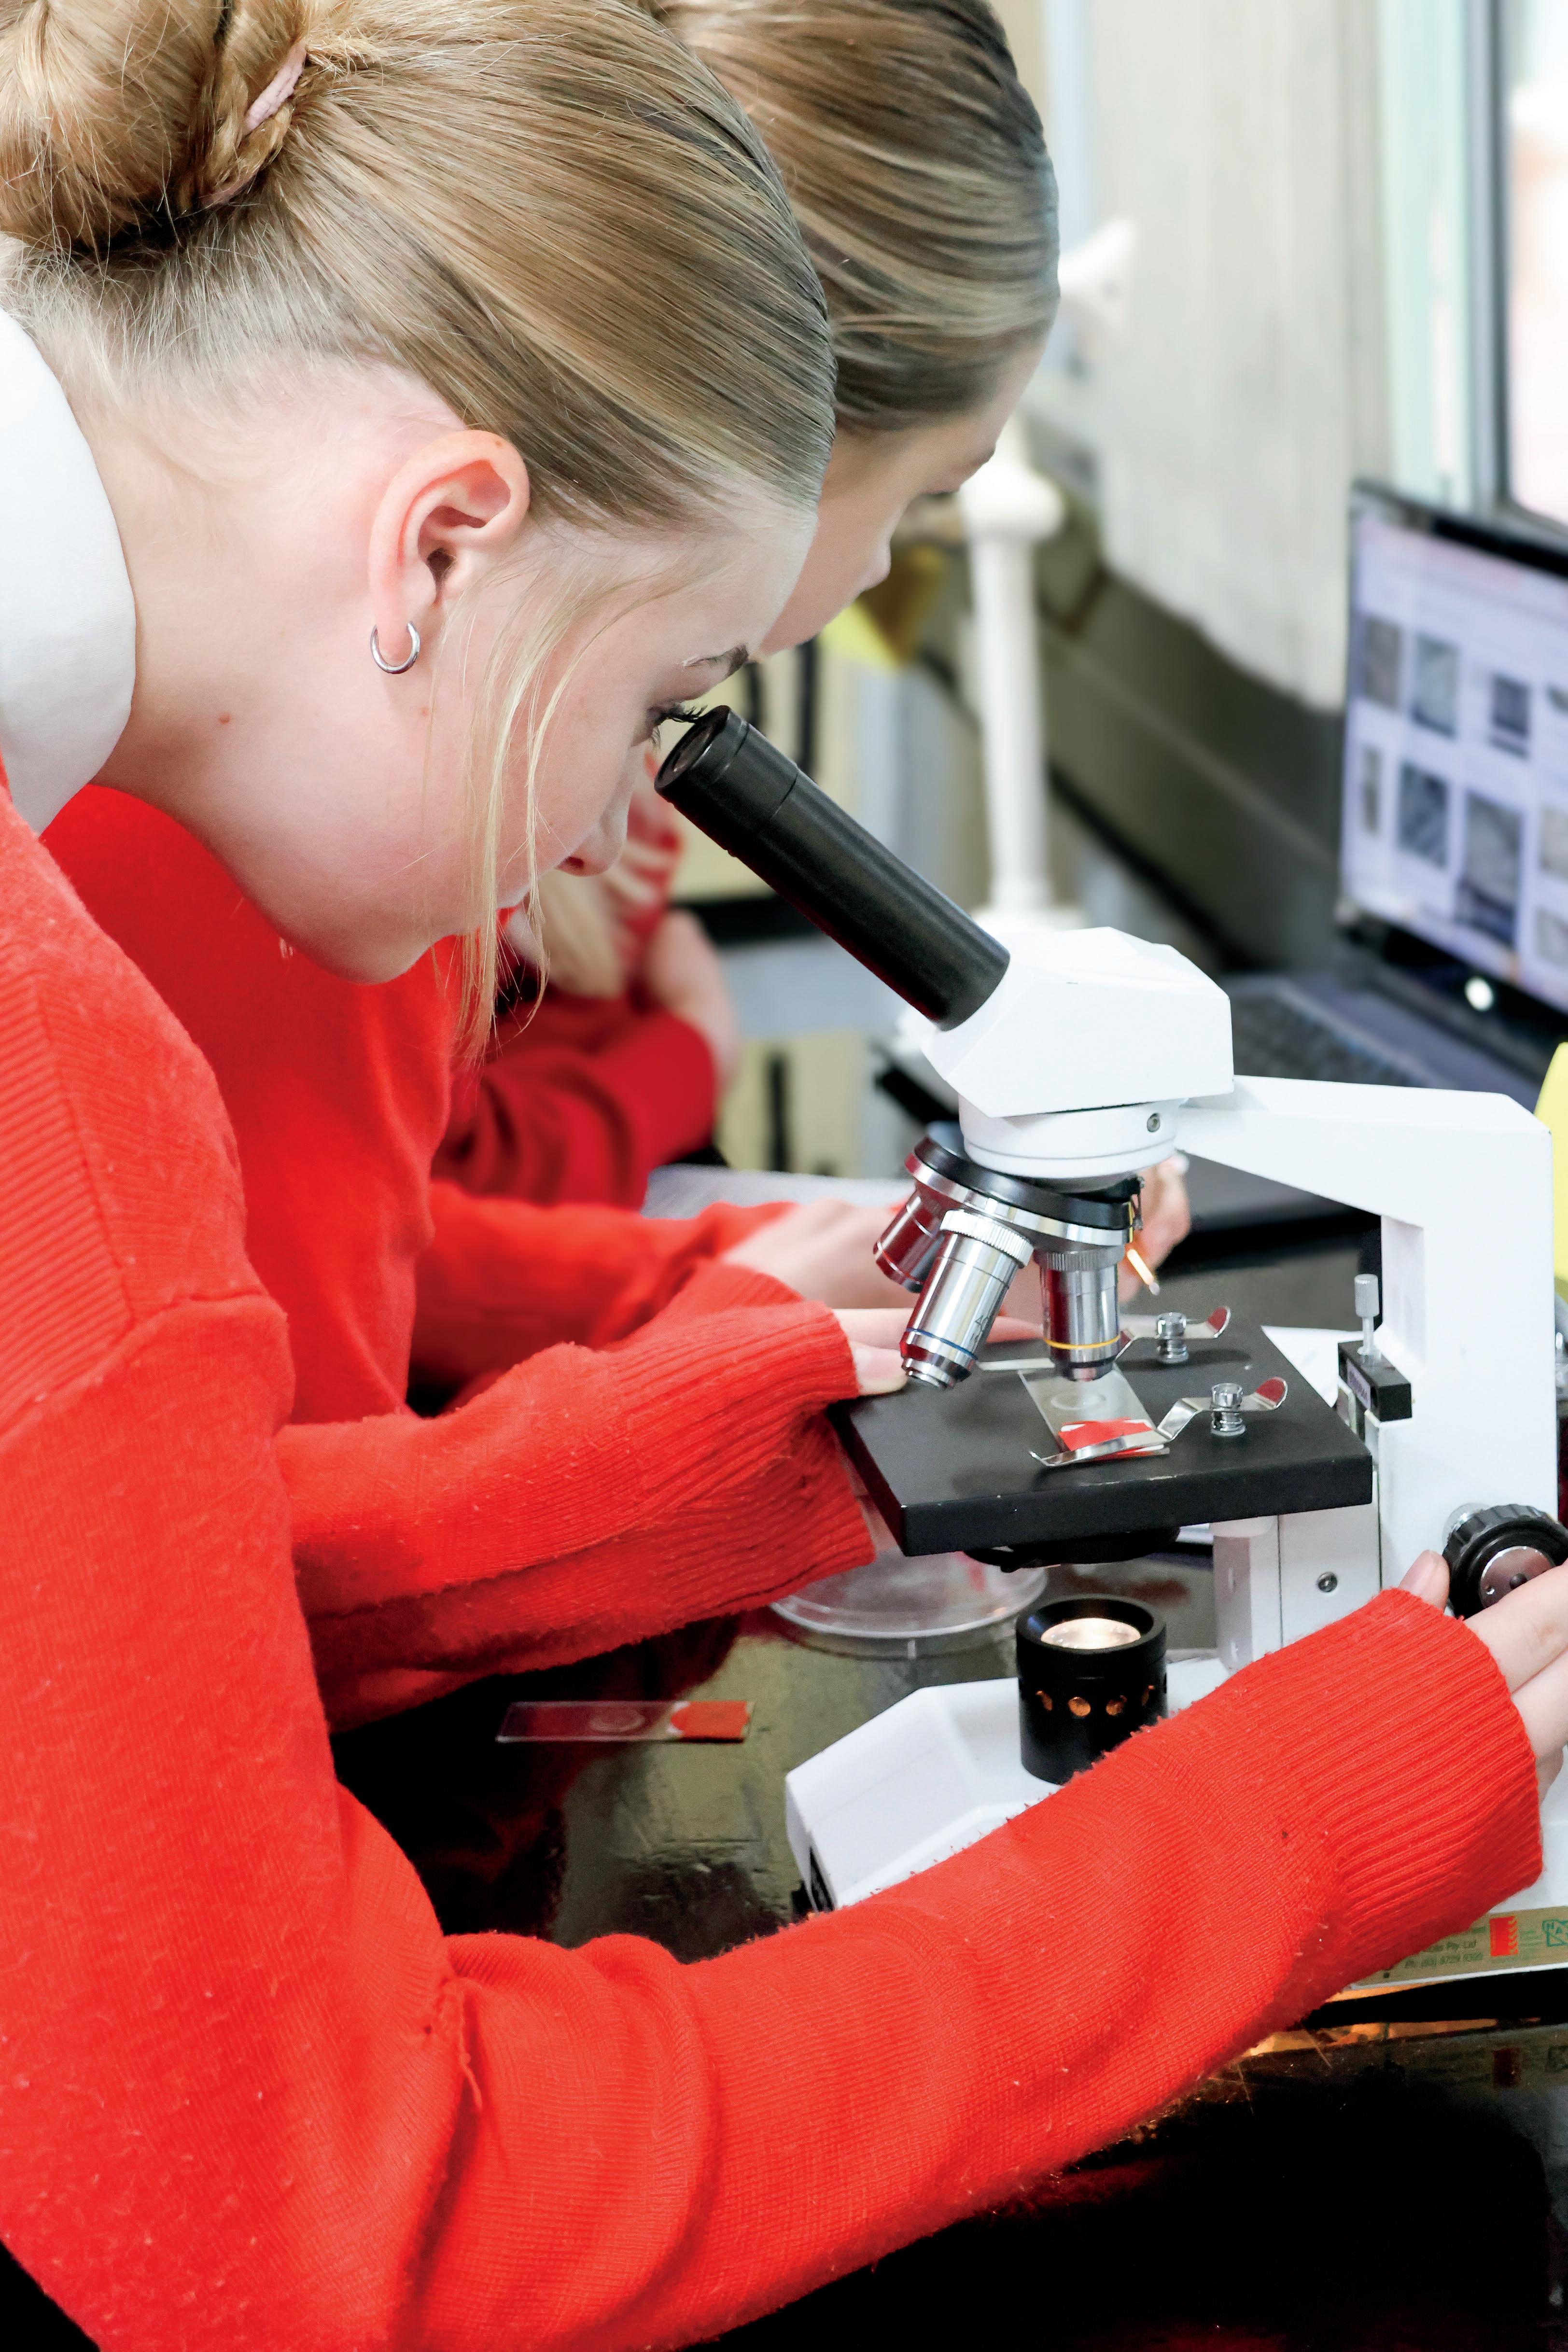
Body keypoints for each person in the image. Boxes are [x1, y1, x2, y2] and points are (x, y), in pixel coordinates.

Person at [1, 5, 1567, 2343]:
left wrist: (708, 1465)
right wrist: (1304, 1817)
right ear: (443, 543)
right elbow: (341, 2235)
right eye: (668, 704)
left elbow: (107, 1654)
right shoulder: (47, 1056)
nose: (615, 827)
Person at [45, 0, 1182, 1728]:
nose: (598, 839)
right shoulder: (273, 812)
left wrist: (698, 1285)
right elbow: (228, 1604)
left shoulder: (260, 671)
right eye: (920, 498)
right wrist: (698, 1413)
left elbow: (243, 1312)